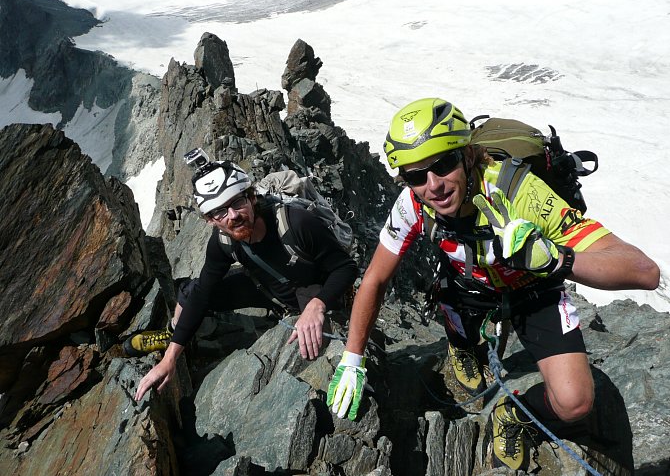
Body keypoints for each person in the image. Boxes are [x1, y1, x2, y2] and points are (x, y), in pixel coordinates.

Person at [326, 98, 660, 470]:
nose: (432, 186)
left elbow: (645, 272)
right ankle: (463, 347)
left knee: (574, 403)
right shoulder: (412, 205)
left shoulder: (520, 193)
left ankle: (514, 415)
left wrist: (554, 259)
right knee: (451, 296)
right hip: (468, 287)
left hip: (533, 290)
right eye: (416, 176)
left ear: (468, 155)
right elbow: (375, 278)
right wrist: (352, 359)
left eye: (443, 164)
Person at [128, 156, 357, 402]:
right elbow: (203, 293)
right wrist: (170, 358)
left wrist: (318, 304)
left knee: (309, 348)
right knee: (190, 292)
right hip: (267, 288)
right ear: (210, 220)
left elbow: (345, 267)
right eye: (219, 212)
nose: (232, 215)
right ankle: (172, 335)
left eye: (237, 202)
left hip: (310, 292)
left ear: (252, 197)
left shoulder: (296, 223)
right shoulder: (223, 242)